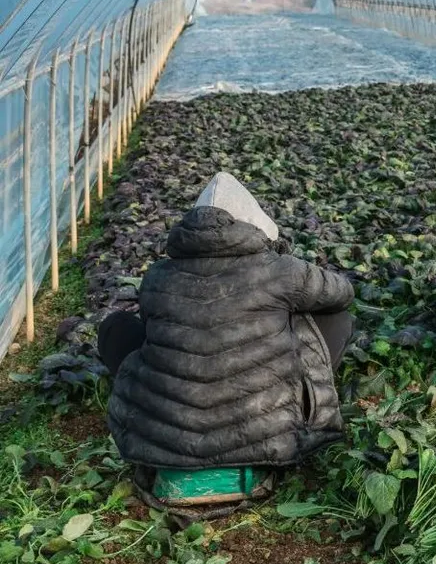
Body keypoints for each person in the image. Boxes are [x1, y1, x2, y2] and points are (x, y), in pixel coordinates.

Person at [102, 172, 355, 503]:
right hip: (265, 431)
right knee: (336, 318)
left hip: (166, 441)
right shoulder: (281, 269)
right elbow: (343, 293)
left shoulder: (157, 276)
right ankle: (294, 411)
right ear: (252, 226)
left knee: (116, 326)